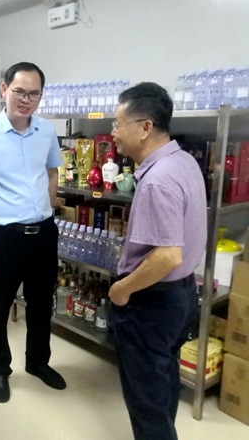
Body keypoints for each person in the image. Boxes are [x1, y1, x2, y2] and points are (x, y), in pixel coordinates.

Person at [0, 62, 65, 404]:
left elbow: (52, 173)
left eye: (34, 93)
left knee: (42, 303)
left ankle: (38, 362)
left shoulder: (46, 131)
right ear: (4, 89)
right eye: (19, 91)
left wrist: (46, 207)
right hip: (4, 236)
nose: (26, 100)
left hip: (44, 233)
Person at [108, 82, 206, 440]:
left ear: (145, 127)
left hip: (152, 302)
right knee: (162, 381)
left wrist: (122, 289)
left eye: (118, 124)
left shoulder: (157, 180)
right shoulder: (183, 161)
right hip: (181, 295)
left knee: (146, 400)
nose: (113, 133)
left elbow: (167, 256)